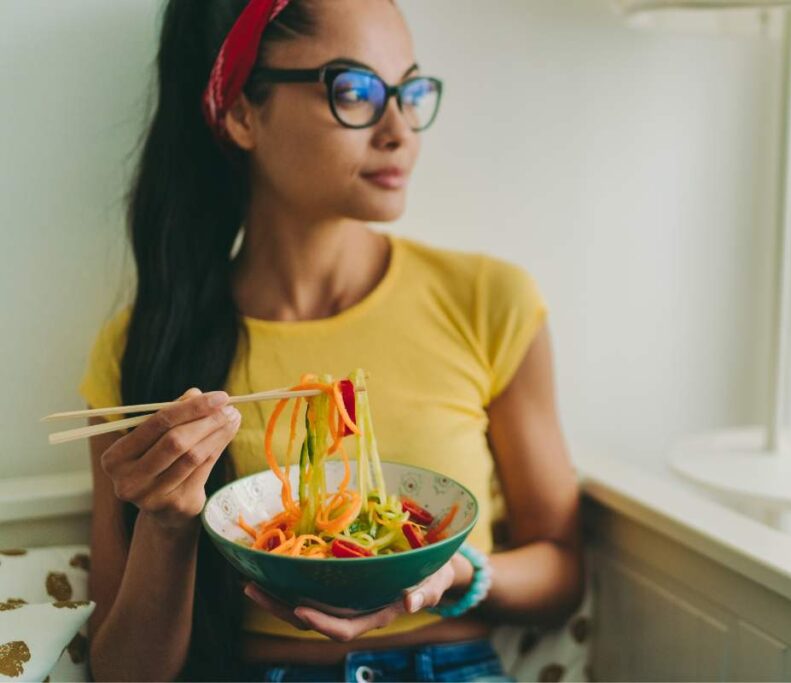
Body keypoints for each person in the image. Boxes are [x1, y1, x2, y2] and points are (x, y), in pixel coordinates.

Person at [79, 0, 581, 680]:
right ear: (241, 114)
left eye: (409, 92)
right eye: (355, 91)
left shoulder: (490, 300)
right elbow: (124, 673)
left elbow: (561, 570)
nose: (399, 130)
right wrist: (167, 525)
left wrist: (458, 571)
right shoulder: (145, 345)